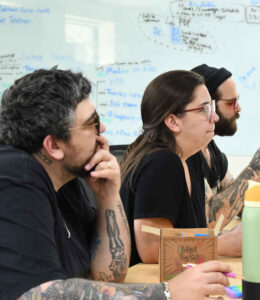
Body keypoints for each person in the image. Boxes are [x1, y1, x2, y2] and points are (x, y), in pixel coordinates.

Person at [0, 67, 232, 300]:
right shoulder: (15, 175)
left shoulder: (65, 181)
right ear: (55, 146)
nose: (102, 130)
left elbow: (109, 275)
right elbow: (40, 294)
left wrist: (108, 196)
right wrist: (167, 293)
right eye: (92, 123)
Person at [120, 69, 242, 266]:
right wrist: (223, 243)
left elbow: (188, 232)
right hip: (147, 285)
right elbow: (151, 249)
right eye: (203, 109)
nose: (215, 118)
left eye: (211, 107)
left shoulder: (189, 157)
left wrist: (231, 235)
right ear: (173, 121)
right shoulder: (161, 163)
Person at [189, 64, 260, 236]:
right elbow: (209, 221)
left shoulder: (213, 153)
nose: (238, 108)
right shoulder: (186, 156)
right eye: (231, 103)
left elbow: (240, 205)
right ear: (207, 106)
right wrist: (253, 169)